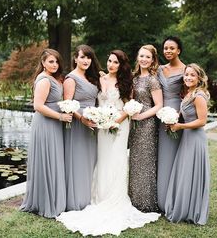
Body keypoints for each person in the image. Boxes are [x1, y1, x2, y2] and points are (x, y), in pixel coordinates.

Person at [56, 50, 160, 236]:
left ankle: (116, 199)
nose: (111, 64)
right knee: (102, 159)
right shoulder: (100, 79)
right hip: (101, 126)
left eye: (116, 62)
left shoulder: (126, 82)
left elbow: (129, 107)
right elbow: (96, 103)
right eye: (109, 60)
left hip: (119, 125)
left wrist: (114, 122)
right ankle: (99, 197)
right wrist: (99, 119)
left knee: (117, 159)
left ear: (121, 65)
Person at [20, 49, 73, 218]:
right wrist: (60, 116)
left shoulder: (54, 79)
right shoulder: (43, 80)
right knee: (47, 160)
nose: (55, 65)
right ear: (43, 63)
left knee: (53, 160)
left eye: (56, 62)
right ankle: (46, 202)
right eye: (51, 61)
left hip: (54, 124)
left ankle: (51, 199)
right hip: (45, 124)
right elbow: (38, 106)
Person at [165, 63, 210, 225]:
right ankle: (185, 207)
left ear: (199, 78)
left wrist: (180, 126)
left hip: (195, 138)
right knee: (186, 171)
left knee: (192, 171)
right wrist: (171, 119)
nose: (188, 78)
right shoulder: (189, 93)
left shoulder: (199, 95)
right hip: (187, 138)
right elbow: (183, 114)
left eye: (192, 75)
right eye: (186, 75)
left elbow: (202, 121)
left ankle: (193, 210)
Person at [63, 44, 101, 211]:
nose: (86, 60)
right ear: (75, 59)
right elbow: (68, 104)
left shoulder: (90, 77)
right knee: (78, 161)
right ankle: (76, 199)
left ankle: (88, 196)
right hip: (78, 126)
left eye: (88, 57)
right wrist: (82, 118)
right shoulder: (71, 79)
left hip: (92, 124)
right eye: (82, 57)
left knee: (90, 160)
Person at [128, 45, 163, 213]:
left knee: (145, 162)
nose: (144, 59)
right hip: (133, 124)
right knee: (135, 161)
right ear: (138, 57)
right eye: (141, 56)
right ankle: (133, 199)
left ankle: (146, 202)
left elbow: (159, 106)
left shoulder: (152, 80)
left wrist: (141, 116)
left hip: (147, 124)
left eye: (148, 57)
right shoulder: (134, 78)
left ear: (153, 60)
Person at [157, 36, 186, 212]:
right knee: (162, 154)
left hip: (176, 113)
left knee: (174, 155)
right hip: (159, 114)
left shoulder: (185, 70)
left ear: (179, 50)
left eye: (172, 48)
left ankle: (173, 197)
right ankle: (161, 198)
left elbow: (189, 94)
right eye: (166, 48)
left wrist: (179, 115)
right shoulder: (159, 69)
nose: (168, 51)